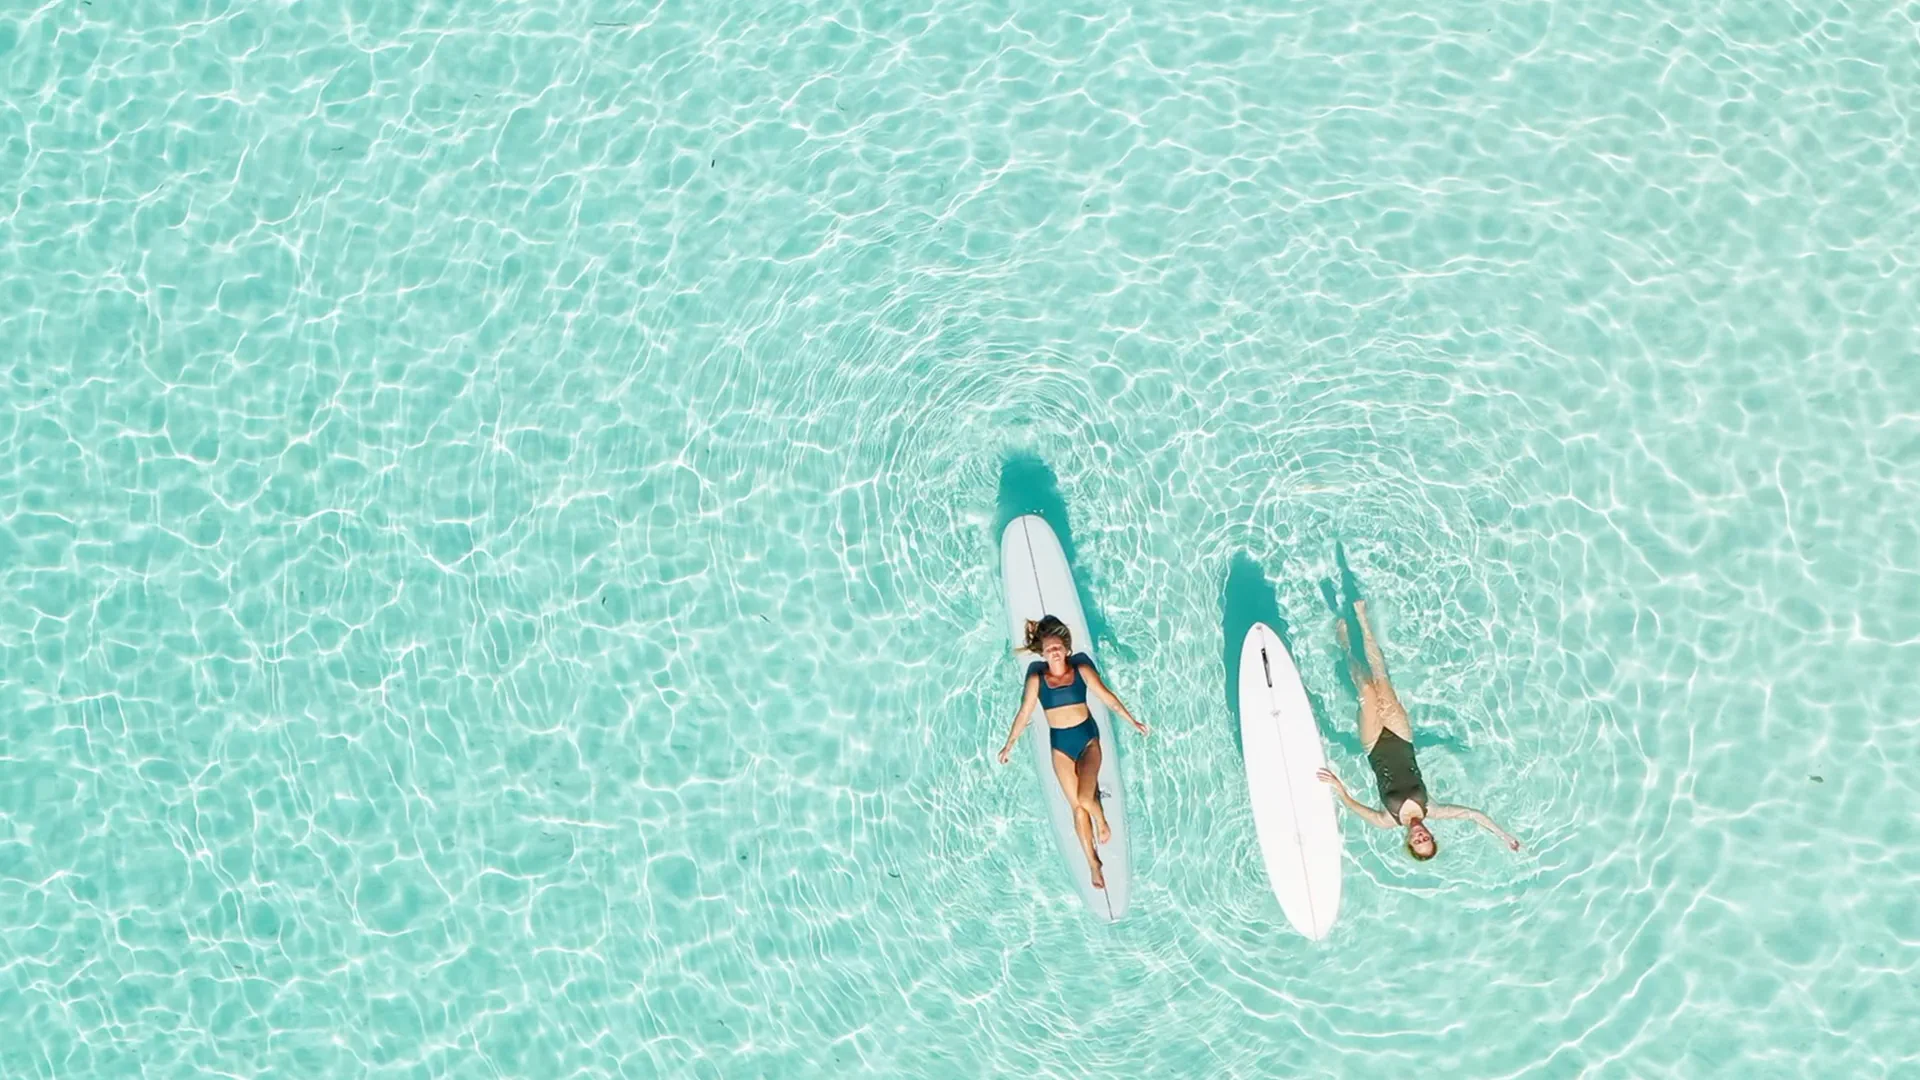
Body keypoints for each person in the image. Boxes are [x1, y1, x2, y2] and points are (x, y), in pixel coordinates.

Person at [1317, 565, 1520, 860]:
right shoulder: (1432, 808)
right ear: (1431, 834)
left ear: (1409, 843)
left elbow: (1352, 806)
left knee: (1367, 691)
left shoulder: (1387, 820)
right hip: (1401, 736)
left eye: (1418, 842)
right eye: (1427, 839)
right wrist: (1505, 836)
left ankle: (1346, 646)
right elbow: (1473, 814)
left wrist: (1338, 786)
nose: (1421, 836)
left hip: (1373, 743)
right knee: (1382, 681)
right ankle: (1362, 620)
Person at [997, 615, 1149, 888]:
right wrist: (1009, 745)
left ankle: (1102, 821)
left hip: (1087, 741)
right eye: (1049, 649)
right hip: (1060, 748)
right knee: (1077, 808)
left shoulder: (1081, 670)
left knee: (1084, 797)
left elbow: (1108, 698)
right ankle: (1093, 864)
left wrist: (1133, 721)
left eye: (1058, 647)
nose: (1054, 652)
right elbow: (1024, 713)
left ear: (1066, 649)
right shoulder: (1037, 679)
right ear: (1042, 654)